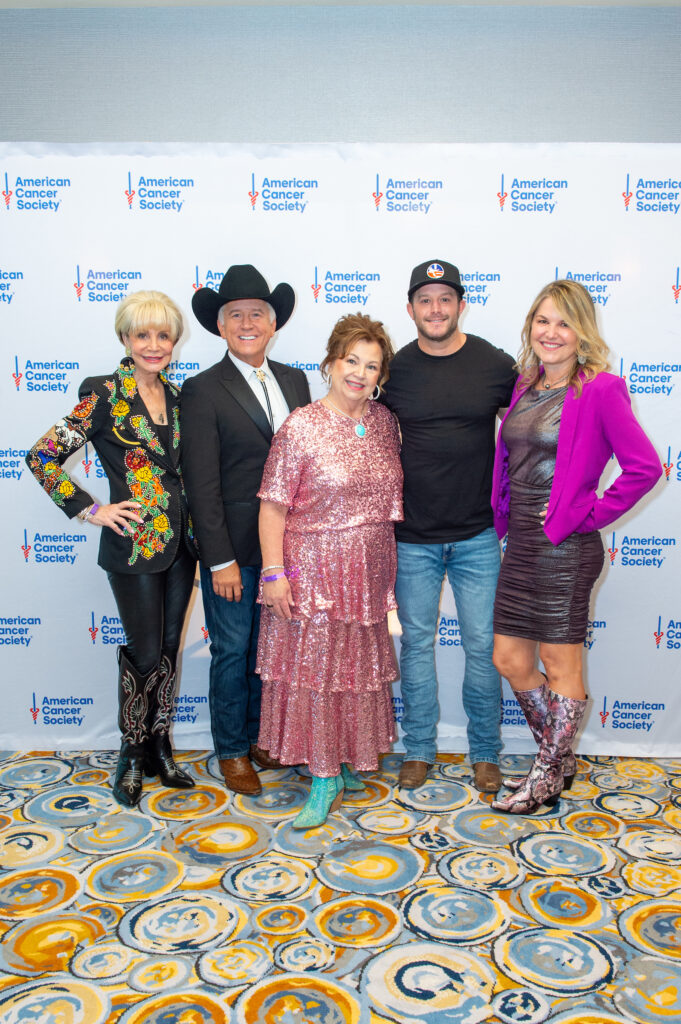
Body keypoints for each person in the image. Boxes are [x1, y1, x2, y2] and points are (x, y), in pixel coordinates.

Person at [490, 279, 662, 814]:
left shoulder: (601, 389)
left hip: (566, 549)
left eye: (564, 322)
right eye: (543, 320)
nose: (551, 332)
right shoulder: (524, 387)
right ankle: (558, 759)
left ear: (581, 331)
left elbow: (645, 468)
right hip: (520, 543)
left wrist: (589, 512)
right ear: (531, 327)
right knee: (509, 658)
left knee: (561, 664)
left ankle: (545, 777)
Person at [26, 290, 197, 807]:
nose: (153, 344)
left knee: (168, 650)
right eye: (142, 334)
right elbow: (43, 456)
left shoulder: (180, 397)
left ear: (174, 340)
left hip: (183, 547)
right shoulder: (102, 395)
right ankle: (130, 750)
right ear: (125, 337)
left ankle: (159, 747)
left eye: (162, 334)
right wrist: (92, 509)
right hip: (132, 550)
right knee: (144, 652)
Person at [256, 313, 403, 828]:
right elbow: (272, 506)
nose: (360, 373)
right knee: (318, 675)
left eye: (371, 365)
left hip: (369, 573)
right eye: (351, 361)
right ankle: (322, 778)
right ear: (331, 363)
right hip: (314, 571)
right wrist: (274, 573)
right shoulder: (302, 425)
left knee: (354, 672)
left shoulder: (384, 422)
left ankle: (344, 759)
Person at [381, 260, 516, 792]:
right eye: (425, 300)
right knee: (416, 646)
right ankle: (418, 747)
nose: (435, 309)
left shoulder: (495, 364)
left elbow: (538, 424)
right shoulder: (393, 371)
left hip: (478, 536)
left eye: (445, 299)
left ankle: (485, 751)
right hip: (411, 538)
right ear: (410, 309)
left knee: (483, 646)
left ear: (461, 305)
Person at [181, 264, 311, 797]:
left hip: (292, 547)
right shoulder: (202, 389)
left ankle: (264, 739)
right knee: (233, 650)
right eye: (235, 314)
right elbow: (201, 485)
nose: (247, 322)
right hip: (234, 549)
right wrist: (219, 560)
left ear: (274, 321)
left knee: (272, 651)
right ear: (220, 326)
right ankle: (232, 750)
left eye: (257, 312)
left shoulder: (295, 380)